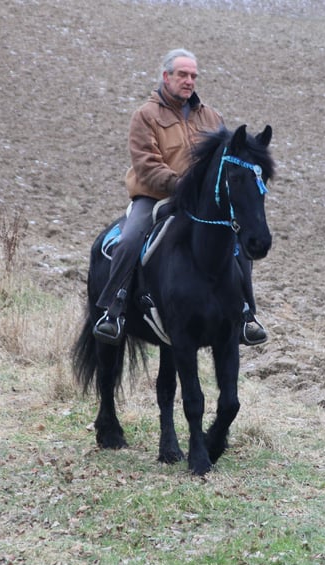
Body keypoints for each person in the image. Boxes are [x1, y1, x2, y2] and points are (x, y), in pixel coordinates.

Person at [93, 48, 267, 346]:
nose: (189, 81)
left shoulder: (211, 117)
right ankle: (114, 309)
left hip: (201, 204)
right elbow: (146, 163)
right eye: (182, 75)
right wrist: (181, 185)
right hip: (155, 197)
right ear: (166, 76)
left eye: (193, 76)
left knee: (236, 245)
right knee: (131, 239)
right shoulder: (145, 115)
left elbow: (221, 162)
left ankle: (246, 314)